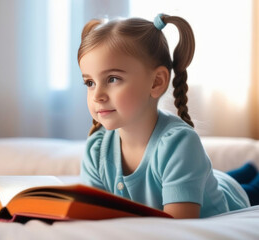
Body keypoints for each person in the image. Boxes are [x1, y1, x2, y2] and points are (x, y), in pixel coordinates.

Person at [77, 13, 259, 219]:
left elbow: (178, 225)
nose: (97, 96)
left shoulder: (178, 144)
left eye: (112, 79)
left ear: (156, 82)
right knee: (223, 177)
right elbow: (94, 215)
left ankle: (252, 172)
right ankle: (247, 169)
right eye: (90, 83)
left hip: (230, 195)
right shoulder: (96, 148)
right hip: (201, 176)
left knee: (250, 188)